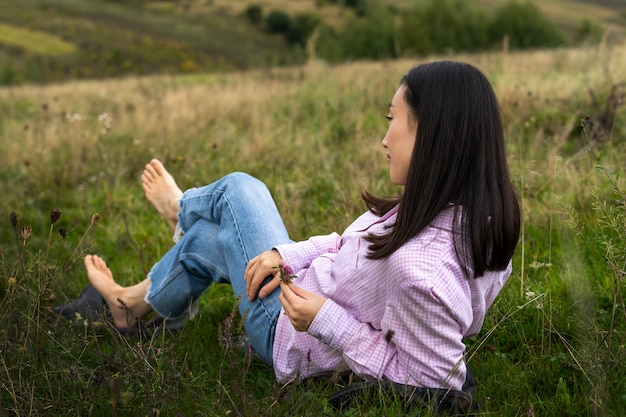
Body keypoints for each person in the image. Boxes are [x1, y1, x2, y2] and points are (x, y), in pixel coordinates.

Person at [66, 60, 521, 393]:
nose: (384, 138)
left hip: (286, 329)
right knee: (213, 238)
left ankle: (180, 209)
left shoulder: (419, 271)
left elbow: (429, 385)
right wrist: (288, 255)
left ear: (432, 135)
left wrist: (327, 321)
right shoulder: (467, 215)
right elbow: (351, 243)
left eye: (392, 120)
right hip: (298, 283)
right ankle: (129, 303)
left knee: (240, 191)